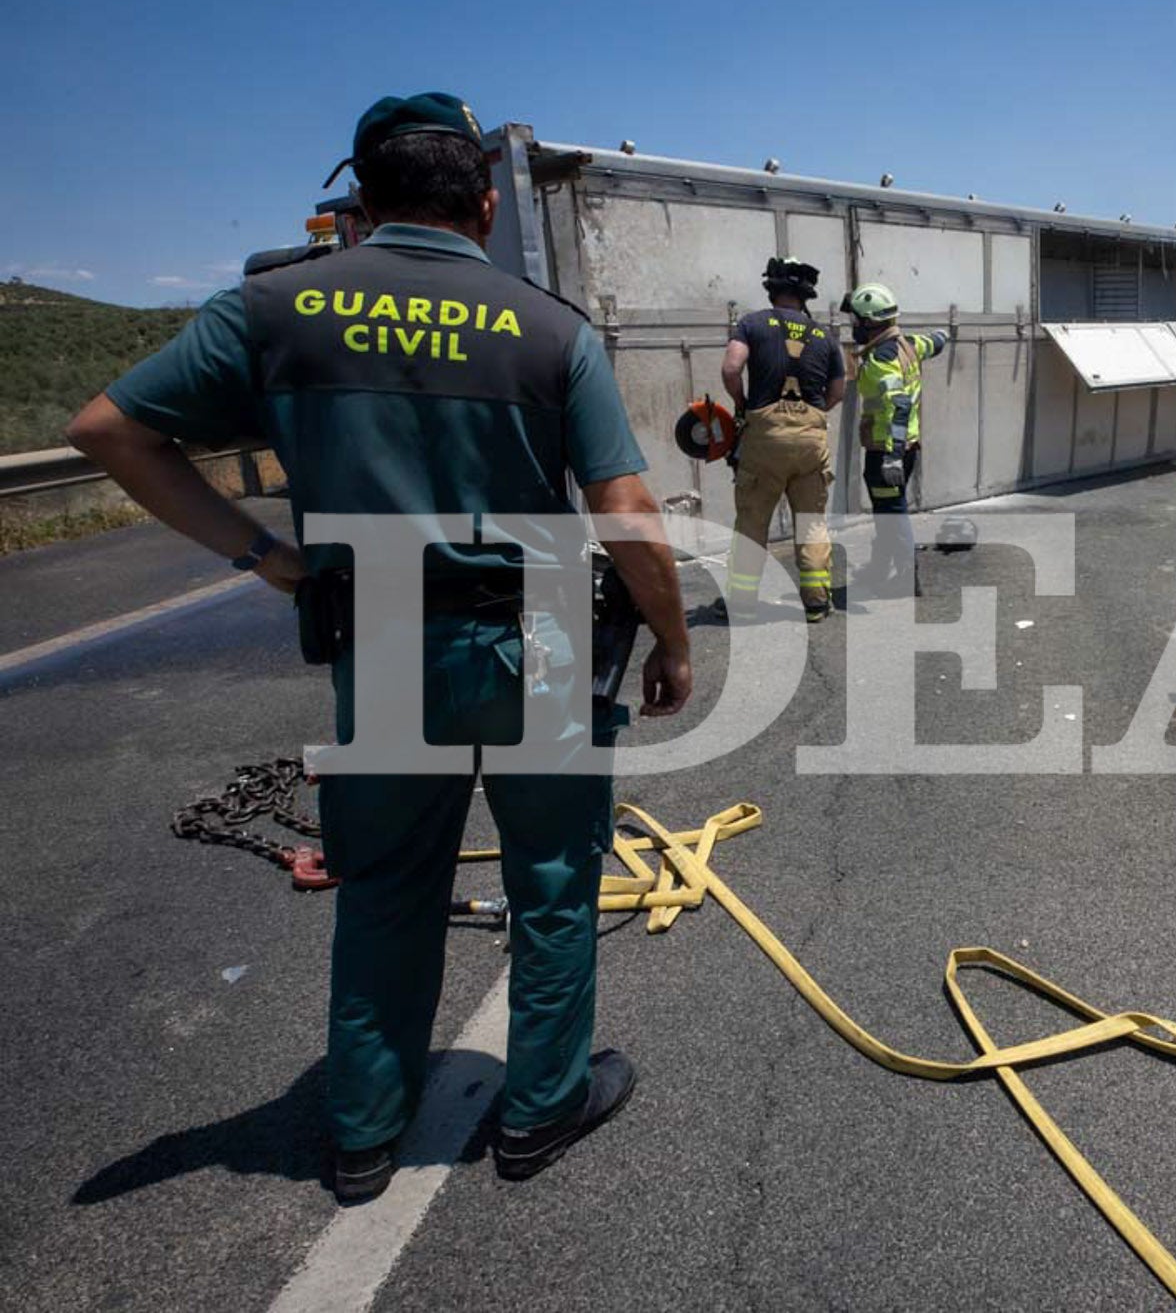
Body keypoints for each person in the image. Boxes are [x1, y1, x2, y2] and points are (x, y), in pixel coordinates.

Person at [63, 92, 695, 1202]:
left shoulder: (271, 309)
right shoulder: (547, 328)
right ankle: (539, 1113)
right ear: (486, 202)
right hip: (538, 634)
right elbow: (626, 507)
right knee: (553, 884)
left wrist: (262, 557)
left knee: (389, 886)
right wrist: (672, 639)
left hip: (387, 635)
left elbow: (107, 430)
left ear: (358, 200)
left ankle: (362, 1130)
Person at [719, 257, 846, 621]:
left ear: (771, 289)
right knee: (811, 522)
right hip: (810, 439)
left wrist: (742, 405)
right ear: (806, 296)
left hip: (764, 436)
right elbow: (838, 389)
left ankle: (743, 603)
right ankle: (817, 602)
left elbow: (731, 367)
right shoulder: (824, 335)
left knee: (753, 520)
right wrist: (815, 415)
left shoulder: (752, 323)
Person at [842, 283, 949, 597]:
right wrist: (944, 335)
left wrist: (891, 457)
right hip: (908, 448)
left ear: (870, 323)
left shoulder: (880, 362)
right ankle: (880, 568)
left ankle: (905, 578)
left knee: (892, 512)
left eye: (857, 322)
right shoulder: (910, 344)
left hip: (886, 451)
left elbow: (899, 404)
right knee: (886, 510)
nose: (854, 327)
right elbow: (937, 341)